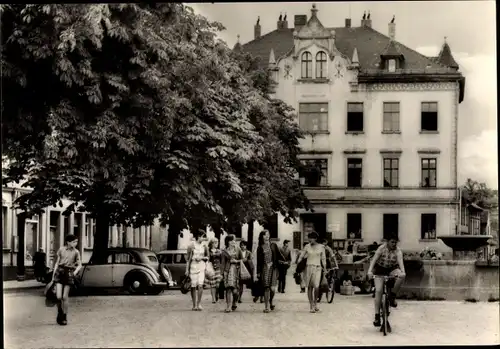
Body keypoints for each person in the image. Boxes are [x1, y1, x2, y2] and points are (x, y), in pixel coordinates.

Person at [367, 233, 406, 327]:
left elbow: (400, 263)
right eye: (392, 242)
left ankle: (392, 296)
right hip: (380, 269)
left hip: (391, 269)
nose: (394, 244)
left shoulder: (398, 251)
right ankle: (377, 316)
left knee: (402, 276)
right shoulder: (381, 248)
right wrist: (369, 272)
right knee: (379, 290)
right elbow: (374, 260)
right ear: (387, 241)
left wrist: (403, 272)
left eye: (396, 242)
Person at [52, 234, 82, 326]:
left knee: (65, 297)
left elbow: (79, 264)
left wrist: (74, 273)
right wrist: (53, 275)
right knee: (58, 297)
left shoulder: (76, 252)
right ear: (68, 242)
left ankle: (64, 316)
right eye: (74, 242)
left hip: (69, 272)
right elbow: (57, 262)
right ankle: (59, 312)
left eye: (76, 242)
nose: (76, 243)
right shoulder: (61, 249)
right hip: (60, 272)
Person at [296, 232, 326, 313]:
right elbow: (301, 256)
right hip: (308, 267)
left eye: (311, 238)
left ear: (315, 238)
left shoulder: (321, 247)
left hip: (318, 268)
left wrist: (325, 268)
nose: (309, 240)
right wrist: (298, 263)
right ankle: (311, 305)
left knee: (316, 286)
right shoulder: (307, 246)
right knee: (310, 287)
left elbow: (323, 259)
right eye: (309, 238)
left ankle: (315, 303)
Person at [256, 230, 279, 313]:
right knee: (266, 288)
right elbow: (258, 261)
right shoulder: (260, 247)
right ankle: (266, 307)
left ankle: (270, 301)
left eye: (268, 234)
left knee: (272, 289)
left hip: (273, 268)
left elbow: (279, 256)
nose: (267, 236)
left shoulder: (273, 245)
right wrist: (258, 272)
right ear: (262, 236)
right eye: (265, 235)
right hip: (264, 269)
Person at [185, 229, 209, 311]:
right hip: (193, 267)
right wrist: (187, 270)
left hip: (201, 266)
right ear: (198, 237)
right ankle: (194, 304)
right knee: (193, 285)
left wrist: (202, 258)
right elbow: (188, 259)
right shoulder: (191, 246)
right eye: (203, 237)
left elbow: (208, 257)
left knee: (200, 285)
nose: (203, 238)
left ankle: (199, 304)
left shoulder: (205, 246)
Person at [221, 234, 243, 312]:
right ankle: (228, 306)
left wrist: (236, 261)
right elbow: (223, 263)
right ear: (228, 241)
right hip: (227, 271)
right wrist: (222, 273)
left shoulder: (238, 249)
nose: (234, 241)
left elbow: (243, 260)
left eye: (234, 240)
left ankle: (234, 302)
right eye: (232, 240)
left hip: (236, 271)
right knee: (228, 289)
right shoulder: (224, 251)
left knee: (235, 291)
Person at [206, 238, 222, 304]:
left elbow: (221, 259)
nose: (216, 244)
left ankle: (216, 294)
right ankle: (213, 298)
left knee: (218, 284)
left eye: (217, 242)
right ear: (212, 244)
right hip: (211, 269)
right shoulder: (208, 251)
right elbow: (207, 259)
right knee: (212, 284)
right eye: (215, 243)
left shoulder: (219, 251)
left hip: (218, 269)